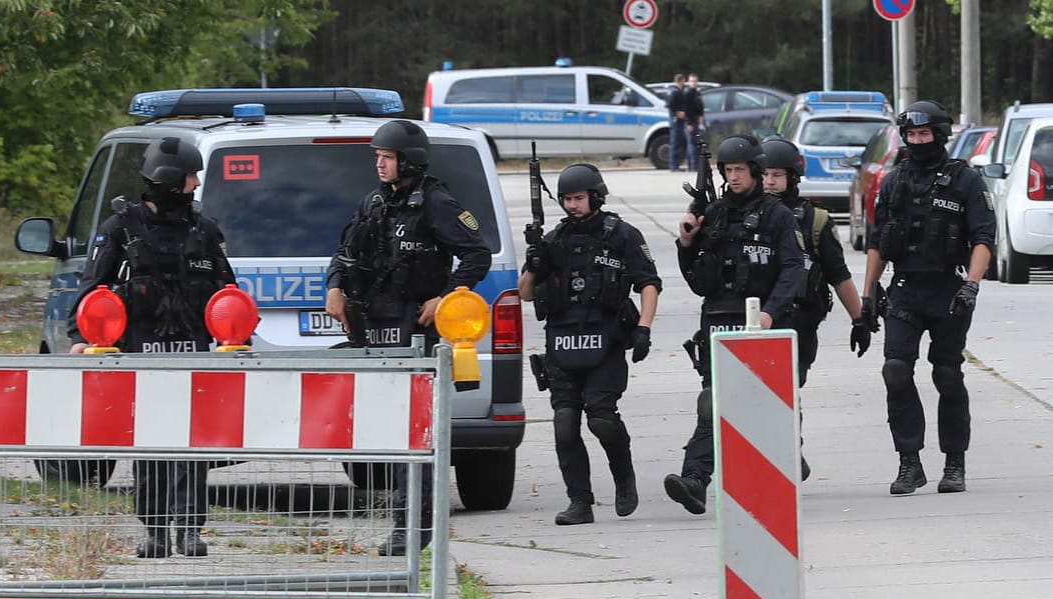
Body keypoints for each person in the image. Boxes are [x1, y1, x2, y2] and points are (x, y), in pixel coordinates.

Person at [324, 119, 491, 555]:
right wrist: (335, 287)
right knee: (385, 434)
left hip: (415, 334)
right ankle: (402, 523)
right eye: (377, 156)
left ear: (409, 161)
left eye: (387, 157)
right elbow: (343, 252)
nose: (379, 163)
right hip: (372, 332)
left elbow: (477, 253)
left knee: (414, 434)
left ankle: (412, 530)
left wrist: (447, 295)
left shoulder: (436, 203)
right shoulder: (373, 202)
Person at [70, 136, 235, 558]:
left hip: (194, 358)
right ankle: (156, 531)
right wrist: (82, 338)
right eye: (190, 175)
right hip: (141, 358)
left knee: (193, 448)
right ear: (168, 179)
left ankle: (191, 530)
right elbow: (91, 291)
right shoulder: (120, 230)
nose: (197, 183)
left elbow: (228, 295)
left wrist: (237, 338)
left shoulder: (204, 230)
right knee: (150, 448)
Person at [664, 134, 806, 514]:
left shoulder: (778, 216)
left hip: (762, 321)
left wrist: (771, 312)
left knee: (764, 405)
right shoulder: (714, 214)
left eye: (739, 169)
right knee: (713, 402)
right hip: (718, 319)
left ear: (756, 171)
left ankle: (782, 463)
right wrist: (687, 242)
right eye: (727, 171)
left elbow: (794, 269)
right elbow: (698, 282)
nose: (733, 177)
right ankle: (694, 479)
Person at [860, 100, 996, 495]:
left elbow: (984, 236)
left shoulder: (964, 180)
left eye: (925, 134)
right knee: (895, 371)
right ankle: (910, 463)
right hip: (905, 289)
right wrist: (868, 295)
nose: (918, 141)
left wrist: (972, 284)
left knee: (946, 373)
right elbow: (876, 242)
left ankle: (954, 462)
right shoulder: (894, 181)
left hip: (949, 289)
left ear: (939, 135)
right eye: (912, 134)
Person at [519, 164, 661, 525]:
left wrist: (643, 327)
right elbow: (524, 293)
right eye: (566, 199)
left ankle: (623, 477)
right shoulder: (552, 241)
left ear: (595, 197)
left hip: (606, 341)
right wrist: (534, 262)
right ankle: (579, 502)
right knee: (565, 423)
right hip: (563, 342)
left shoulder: (622, 235)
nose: (572, 206)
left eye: (579, 198)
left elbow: (648, 283)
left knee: (601, 420)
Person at [758, 136, 865, 479]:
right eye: (764, 174)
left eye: (777, 174)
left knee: (786, 388)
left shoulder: (815, 220)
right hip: (754, 319)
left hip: (798, 323)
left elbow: (838, 274)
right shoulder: (744, 216)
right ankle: (779, 453)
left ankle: (788, 448)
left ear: (793, 176)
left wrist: (860, 318)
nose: (769, 182)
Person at [666, 74, 690, 172]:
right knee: (676, 143)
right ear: (681, 81)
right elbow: (671, 105)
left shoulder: (673, 91)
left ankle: (675, 164)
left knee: (677, 142)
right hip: (676, 121)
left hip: (676, 120)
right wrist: (677, 113)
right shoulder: (675, 92)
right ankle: (674, 165)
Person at [684, 74, 706, 171]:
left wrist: (701, 117)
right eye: (691, 81)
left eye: (695, 81)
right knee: (692, 144)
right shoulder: (688, 94)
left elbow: (700, 107)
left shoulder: (697, 93)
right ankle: (692, 166)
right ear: (689, 82)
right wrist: (689, 123)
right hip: (691, 121)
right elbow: (686, 110)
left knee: (696, 144)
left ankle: (694, 164)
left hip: (697, 120)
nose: (693, 83)